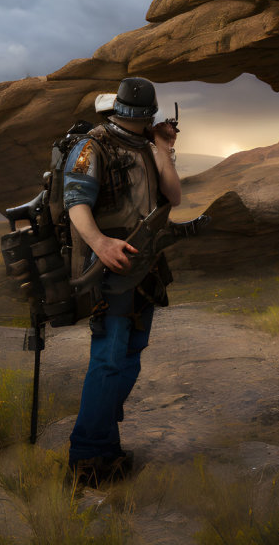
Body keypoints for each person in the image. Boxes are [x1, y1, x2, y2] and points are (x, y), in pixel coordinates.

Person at [63, 76, 181, 486]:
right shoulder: (92, 146)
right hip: (109, 272)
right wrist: (99, 244)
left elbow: (173, 195)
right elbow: (75, 200)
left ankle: (105, 447)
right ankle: (85, 458)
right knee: (110, 360)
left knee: (130, 355)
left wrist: (164, 149)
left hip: (144, 268)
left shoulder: (148, 146)